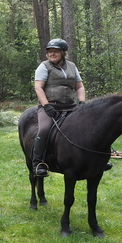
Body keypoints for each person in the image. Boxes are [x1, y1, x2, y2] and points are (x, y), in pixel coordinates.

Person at [32, 38, 86, 177]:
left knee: (89, 126)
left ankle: (96, 160)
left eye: (55, 51)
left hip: (70, 106)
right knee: (44, 130)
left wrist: (82, 102)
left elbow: (79, 86)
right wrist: (47, 106)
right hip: (50, 107)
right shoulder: (44, 66)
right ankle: (38, 163)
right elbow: (38, 88)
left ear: (63, 53)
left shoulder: (72, 66)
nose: (52, 54)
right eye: (50, 51)